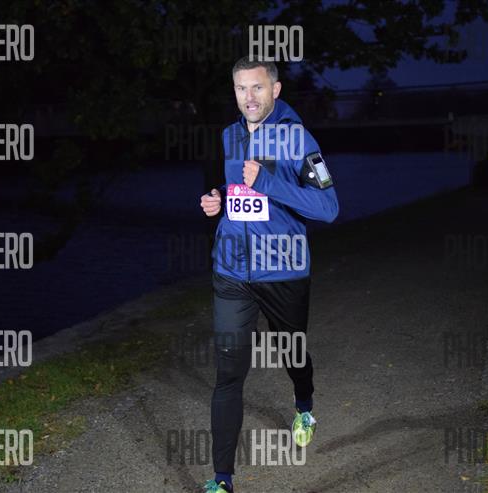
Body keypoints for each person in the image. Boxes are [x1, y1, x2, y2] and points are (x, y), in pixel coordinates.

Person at [199, 56, 339, 493]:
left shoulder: (299, 140)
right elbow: (235, 190)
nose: (249, 97)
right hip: (232, 270)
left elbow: (328, 208)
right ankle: (222, 480)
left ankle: (304, 404)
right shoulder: (229, 135)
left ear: (275, 90)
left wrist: (269, 184)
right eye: (241, 88)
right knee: (228, 374)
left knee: (291, 353)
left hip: (283, 271)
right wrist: (217, 200)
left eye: (257, 87)